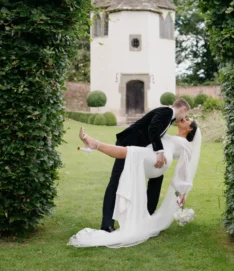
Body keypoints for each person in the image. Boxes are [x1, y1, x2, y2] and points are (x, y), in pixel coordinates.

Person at [67, 117, 201, 248]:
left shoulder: (185, 144)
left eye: (188, 120)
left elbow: (184, 169)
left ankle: (94, 144)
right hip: (153, 156)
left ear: (189, 129)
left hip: (156, 161)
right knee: (129, 153)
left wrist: (183, 192)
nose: (185, 118)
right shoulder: (171, 134)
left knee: (129, 152)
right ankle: (93, 145)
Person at [99, 99, 190, 233]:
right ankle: (107, 224)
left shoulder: (168, 117)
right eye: (186, 115)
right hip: (127, 143)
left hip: (135, 148)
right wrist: (159, 152)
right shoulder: (167, 112)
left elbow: (154, 132)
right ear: (182, 109)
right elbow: (153, 129)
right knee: (115, 181)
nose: (184, 118)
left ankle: (146, 216)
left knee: (156, 177)